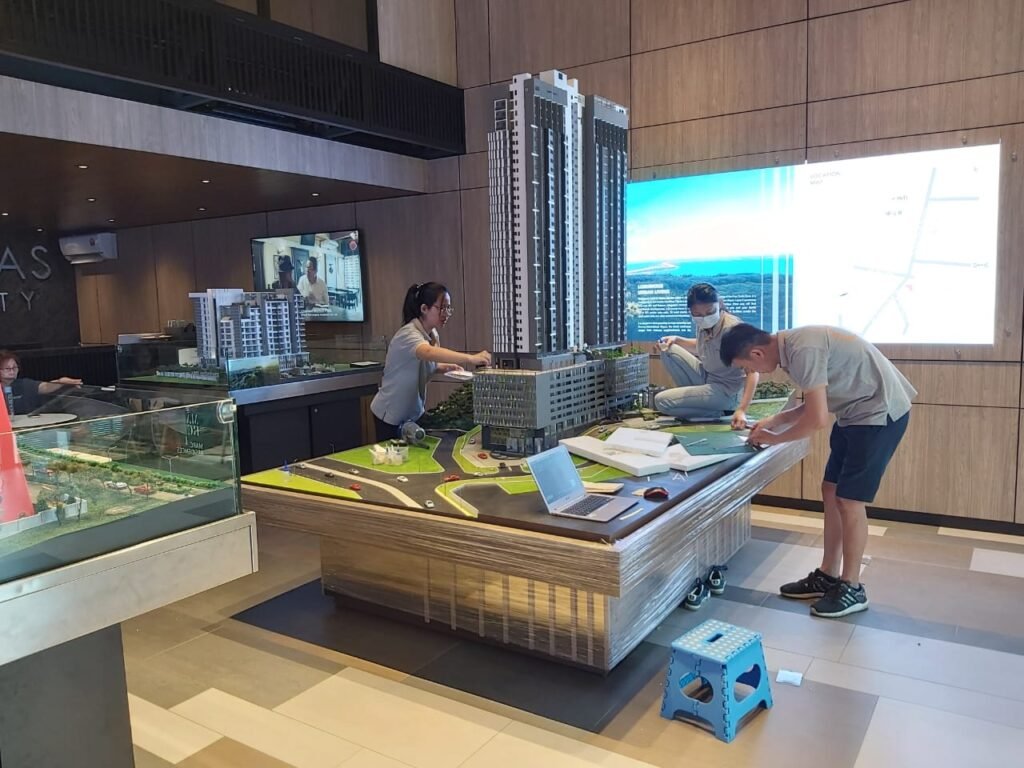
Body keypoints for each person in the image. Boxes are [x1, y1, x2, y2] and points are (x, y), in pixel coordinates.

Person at [719, 324, 916, 619]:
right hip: (853, 414)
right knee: (831, 490)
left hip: (878, 415)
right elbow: (817, 403)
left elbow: (817, 420)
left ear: (757, 353)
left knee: (850, 501)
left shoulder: (802, 350)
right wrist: (775, 421)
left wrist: (774, 438)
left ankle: (852, 587)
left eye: (746, 367)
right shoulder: (792, 349)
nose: (751, 372)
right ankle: (828, 574)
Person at [370, 282, 491, 442]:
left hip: (413, 413)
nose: (446, 313)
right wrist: (470, 358)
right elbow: (427, 353)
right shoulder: (408, 334)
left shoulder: (432, 334)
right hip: (390, 414)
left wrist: (443, 367)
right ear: (424, 309)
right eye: (442, 308)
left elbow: (424, 363)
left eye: (448, 308)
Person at [654, 283, 758, 428]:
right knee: (668, 350)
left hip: (726, 390)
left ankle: (718, 412)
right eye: (697, 314)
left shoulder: (732, 329)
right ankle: (699, 402)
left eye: (710, 312)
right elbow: (702, 347)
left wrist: (742, 410)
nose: (704, 317)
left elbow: (753, 371)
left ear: (719, 303)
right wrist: (676, 339)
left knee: (662, 401)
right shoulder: (704, 324)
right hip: (708, 376)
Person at [0, 350, 82, 416]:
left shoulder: (24, 384)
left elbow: (45, 386)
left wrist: (60, 381)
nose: (12, 371)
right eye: (7, 368)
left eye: (14, 368)